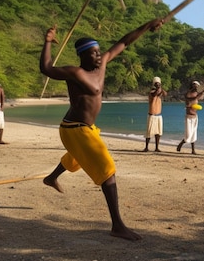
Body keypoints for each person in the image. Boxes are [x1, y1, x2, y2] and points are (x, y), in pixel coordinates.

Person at [40, 17, 163, 241]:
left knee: (77, 157)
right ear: (83, 55)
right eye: (94, 53)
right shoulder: (75, 73)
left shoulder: (103, 64)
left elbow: (125, 42)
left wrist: (147, 25)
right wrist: (47, 41)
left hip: (85, 128)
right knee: (107, 169)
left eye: (99, 51)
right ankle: (117, 225)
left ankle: (51, 178)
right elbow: (46, 68)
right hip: (74, 129)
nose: (99, 55)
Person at [176, 80, 204, 155]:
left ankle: (193, 150)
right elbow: (190, 99)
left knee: (194, 133)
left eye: (197, 86)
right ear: (192, 86)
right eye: (194, 85)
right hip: (188, 116)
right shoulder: (188, 94)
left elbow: (199, 97)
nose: (195, 87)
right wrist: (198, 94)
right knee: (188, 134)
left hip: (195, 116)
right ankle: (181, 143)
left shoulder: (196, 94)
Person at [142, 76, 167, 152]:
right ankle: (146, 147)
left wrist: (161, 89)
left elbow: (165, 94)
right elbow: (155, 94)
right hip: (152, 115)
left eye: (159, 84)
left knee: (158, 132)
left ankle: (157, 147)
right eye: (156, 84)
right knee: (149, 132)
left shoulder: (160, 92)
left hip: (159, 115)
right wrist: (158, 89)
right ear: (154, 85)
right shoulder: (151, 92)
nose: (158, 85)